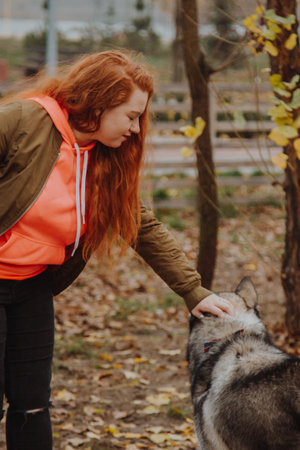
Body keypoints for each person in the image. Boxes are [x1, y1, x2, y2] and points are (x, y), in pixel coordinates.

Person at [0, 50, 233, 449]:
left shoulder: (103, 160)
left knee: (33, 404)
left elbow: (142, 225)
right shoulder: (23, 122)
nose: (137, 129)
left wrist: (194, 291)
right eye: (131, 115)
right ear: (99, 101)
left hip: (33, 288)